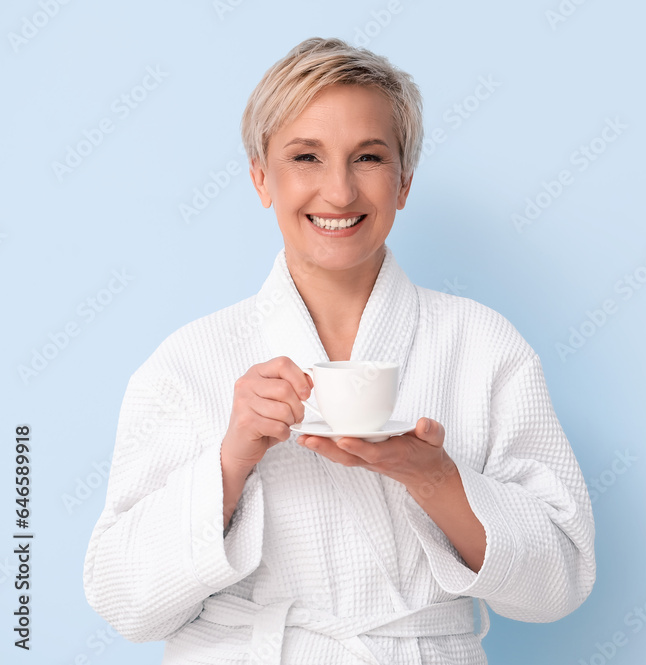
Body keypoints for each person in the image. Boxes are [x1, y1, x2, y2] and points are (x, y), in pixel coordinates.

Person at [83, 37, 596, 664]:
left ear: (404, 182)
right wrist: (231, 459)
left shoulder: (483, 345)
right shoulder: (188, 362)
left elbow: (560, 582)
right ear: (260, 177)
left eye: (369, 158)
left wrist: (432, 476)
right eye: (306, 156)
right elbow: (124, 602)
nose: (340, 191)